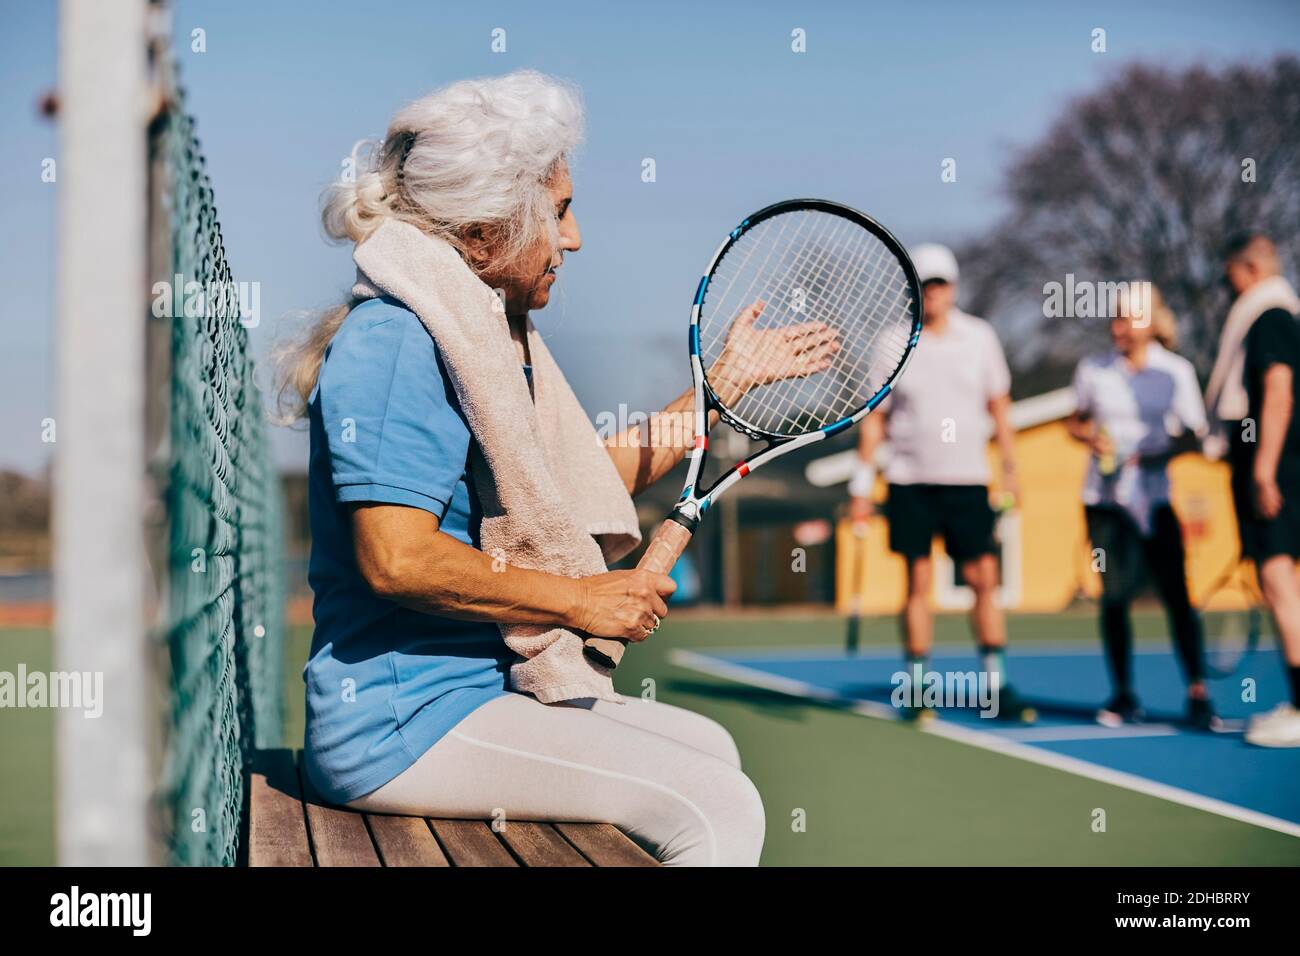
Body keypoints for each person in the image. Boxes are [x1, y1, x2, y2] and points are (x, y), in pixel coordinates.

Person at [277, 72, 835, 863]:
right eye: (561, 212)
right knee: (717, 809)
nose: (573, 240)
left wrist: (723, 388)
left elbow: (571, 486)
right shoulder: (399, 341)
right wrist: (580, 599)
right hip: (398, 729)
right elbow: (395, 558)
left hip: (463, 700)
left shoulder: (477, 333)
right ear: (486, 229)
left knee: (712, 748)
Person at [849, 243, 1034, 722]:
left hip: (969, 481)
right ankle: (916, 688)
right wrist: (862, 487)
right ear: (913, 290)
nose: (933, 292)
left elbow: (1000, 406)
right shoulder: (892, 342)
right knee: (918, 582)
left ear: (952, 288)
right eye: (924, 284)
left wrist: (1011, 469)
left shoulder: (980, 338)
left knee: (983, 579)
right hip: (910, 481)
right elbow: (875, 422)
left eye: (940, 283)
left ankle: (998, 685)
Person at [1065, 284, 1218, 729]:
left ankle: (1197, 692)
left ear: (1151, 323)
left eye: (1129, 319)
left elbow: (1194, 434)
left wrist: (1155, 455)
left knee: (1177, 597)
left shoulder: (1177, 372)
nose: (1119, 328)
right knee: (1114, 598)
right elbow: (1074, 420)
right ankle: (1123, 695)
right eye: (1115, 318)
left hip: (1155, 501)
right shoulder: (1093, 370)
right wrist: (1088, 436)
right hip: (1104, 503)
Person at [1206, 233, 1300, 747]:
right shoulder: (1282, 315)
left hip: (1276, 471)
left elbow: (1279, 393)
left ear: (1250, 268)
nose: (1228, 287)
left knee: (1280, 581)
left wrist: (1263, 470)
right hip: (1280, 466)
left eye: (1231, 276)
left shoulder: (1268, 317)